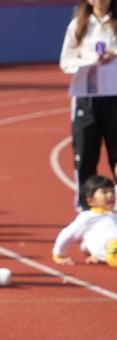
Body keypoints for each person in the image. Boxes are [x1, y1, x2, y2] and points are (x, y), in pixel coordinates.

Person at [61, 0, 117, 208]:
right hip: (87, 97)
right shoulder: (79, 24)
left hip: (114, 95)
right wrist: (90, 61)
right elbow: (66, 62)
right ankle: (86, 206)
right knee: (85, 155)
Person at [52, 175, 117, 269]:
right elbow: (67, 234)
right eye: (104, 192)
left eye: (112, 191)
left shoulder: (113, 214)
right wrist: (59, 255)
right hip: (113, 249)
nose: (110, 195)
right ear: (91, 201)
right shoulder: (87, 217)